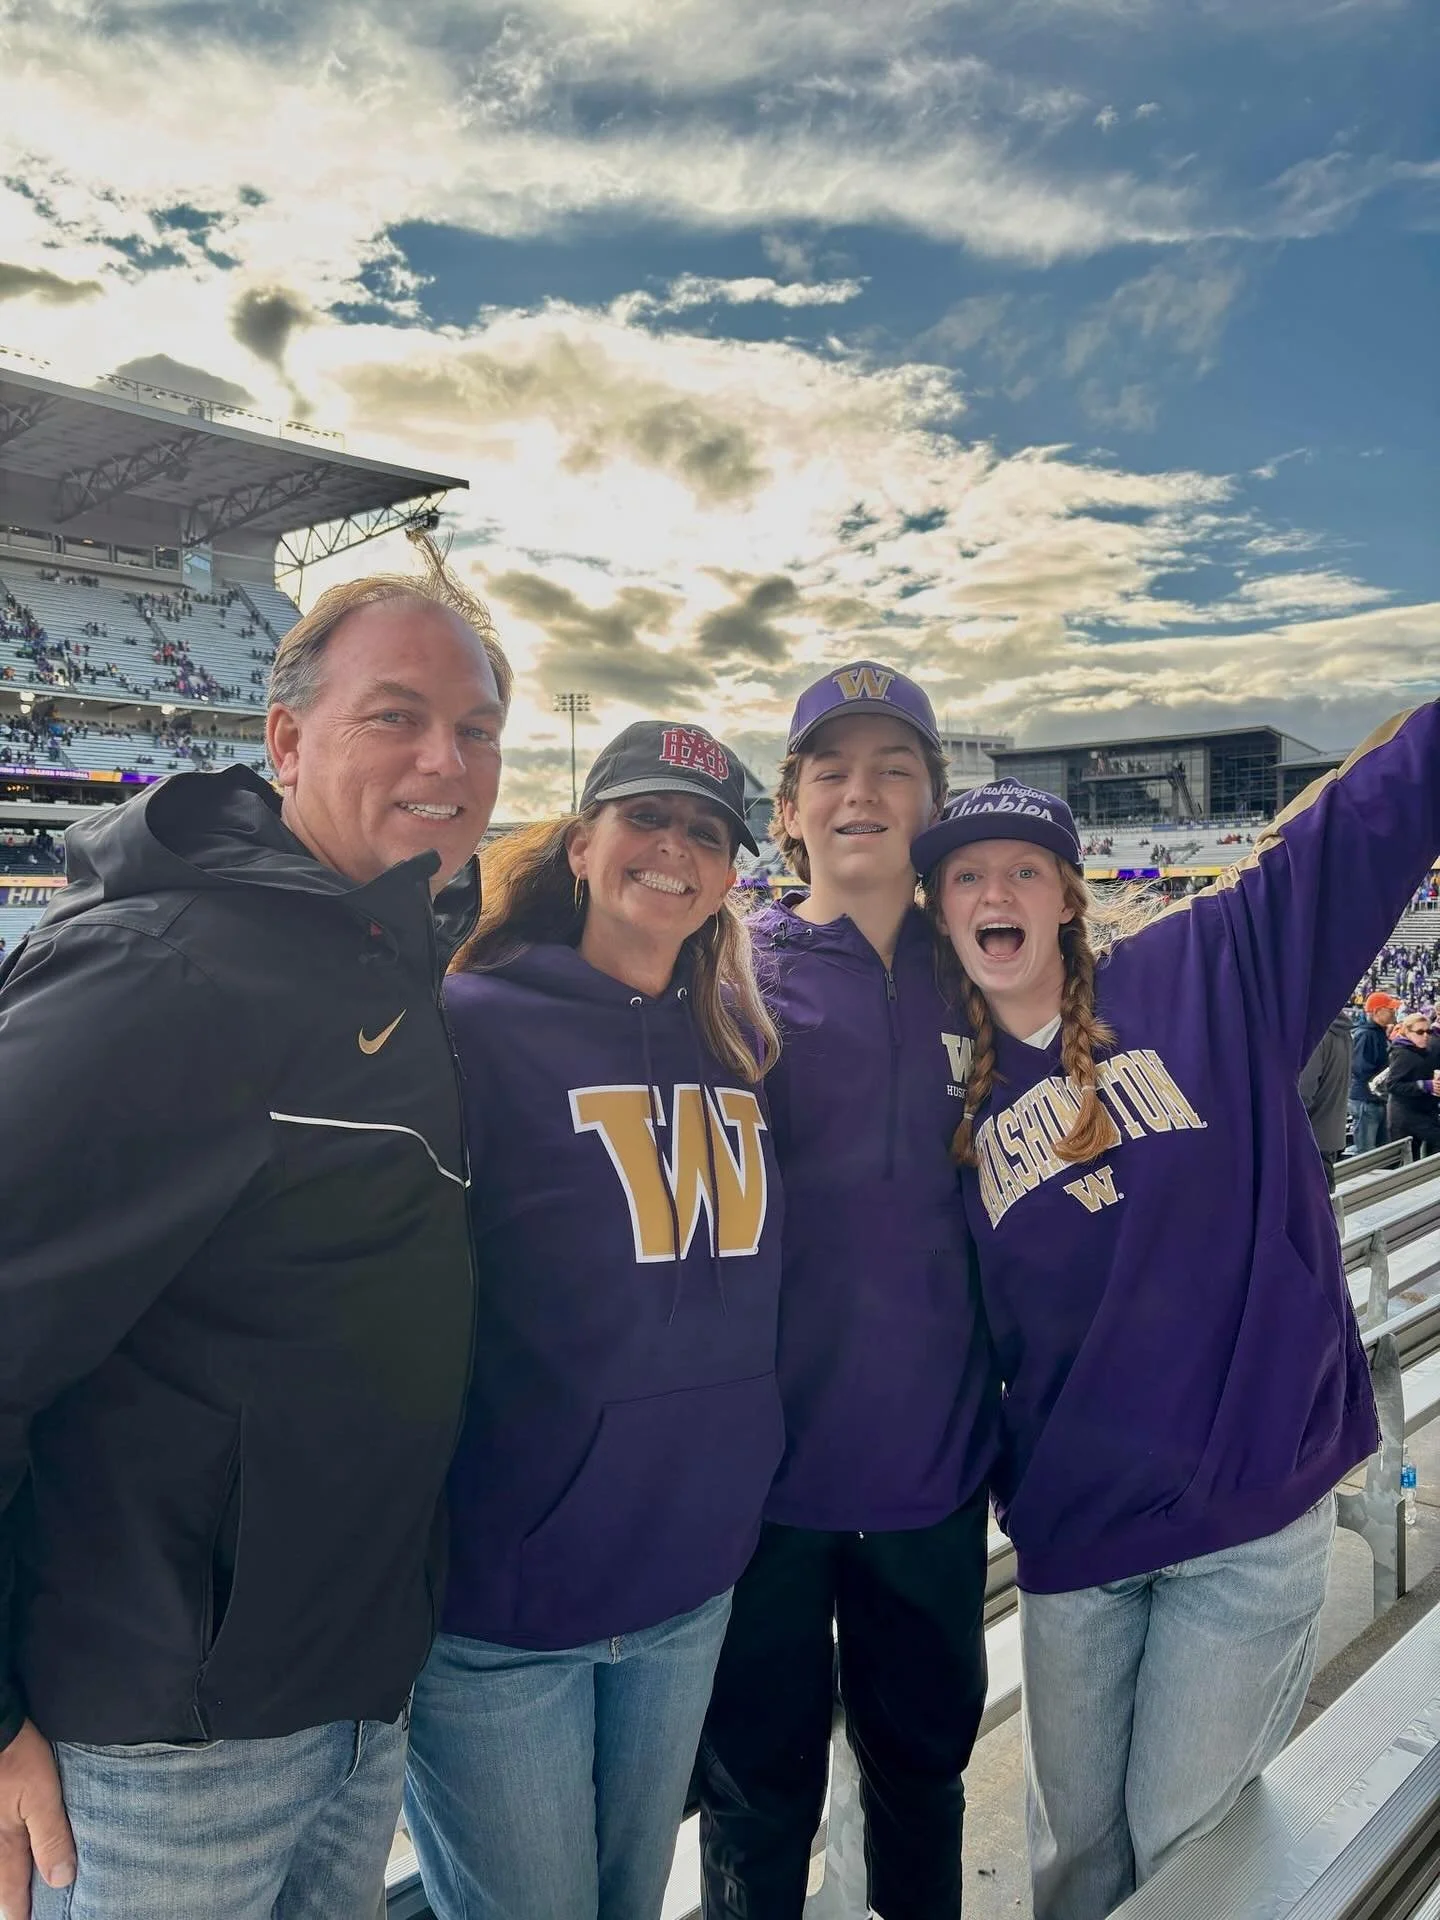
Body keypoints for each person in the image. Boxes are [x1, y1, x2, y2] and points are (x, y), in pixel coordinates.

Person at [0, 540, 510, 1920]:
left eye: (475, 729)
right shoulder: (162, 970)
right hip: (161, 1753)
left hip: (352, 1707)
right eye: (394, 715)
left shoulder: (392, 966)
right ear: (285, 738)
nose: (443, 762)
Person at [914, 703, 1440, 1920]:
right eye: (967, 875)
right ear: (942, 911)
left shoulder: (1210, 968)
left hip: (1241, 1520)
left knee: (1184, 1860)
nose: (996, 891)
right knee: (1076, 1866)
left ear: (1067, 897)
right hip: (1073, 1534)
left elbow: (1366, 820)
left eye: (1024, 869)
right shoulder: (931, 1093)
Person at [405, 721, 785, 1920]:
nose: (674, 848)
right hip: (501, 1609)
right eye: (647, 818)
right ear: (581, 844)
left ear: (730, 879)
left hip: (686, 1585)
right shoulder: (464, 1021)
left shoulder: (740, 1047)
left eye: (707, 834)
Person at [698, 664, 996, 1920]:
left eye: (893, 768)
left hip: (931, 1472)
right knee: (758, 1799)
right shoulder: (727, 978)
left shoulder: (992, 974)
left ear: (931, 800)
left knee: (924, 1777)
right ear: (790, 809)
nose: (861, 792)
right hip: (767, 1488)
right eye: (832, 770)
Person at [1300, 1008, 1353, 1189]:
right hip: (1328, 1135)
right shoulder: (1340, 1032)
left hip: (1309, 1140)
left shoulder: (1316, 1036)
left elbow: (1302, 1096)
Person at [1349, 990, 1400, 1153]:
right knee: (1366, 1152)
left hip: (1375, 1099)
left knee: (1379, 1151)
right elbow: (1360, 1068)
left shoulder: (1378, 1033)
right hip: (1366, 1099)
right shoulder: (1365, 1035)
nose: (1394, 1012)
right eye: (1390, 1009)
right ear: (1377, 1012)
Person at [1385, 1010, 1440, 1157]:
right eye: (1420, 1032)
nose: (1425, 1036)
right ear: (1407, 1032)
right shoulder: (1403, 1053)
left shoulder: (1423, 1051)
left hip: (1424, 1111)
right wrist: (1424, 1085)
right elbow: (1392, 1085)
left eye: (1428, 1031)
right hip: (1405, 1116)